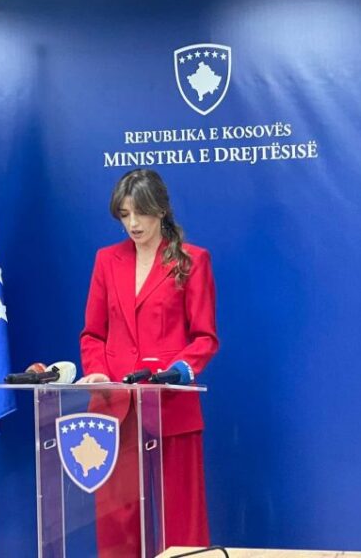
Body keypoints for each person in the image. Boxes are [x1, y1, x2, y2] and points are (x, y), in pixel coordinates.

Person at [79, 169, 219, 557]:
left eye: (140, 212)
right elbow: (92, 334)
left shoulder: (193, 260)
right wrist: (98, 372)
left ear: (161, 210)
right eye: (124, 215)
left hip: (171, 404)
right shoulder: (106, 260)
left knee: (181, 516)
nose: (133, 224)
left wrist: (178, 371)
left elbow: (205, 338)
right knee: (117, 520)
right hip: (115, 406)